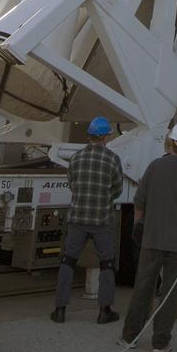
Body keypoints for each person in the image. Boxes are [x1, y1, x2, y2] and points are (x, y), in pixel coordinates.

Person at [121, 121, 177, 352]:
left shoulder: (154, 167)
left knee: (143, 287)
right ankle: (160, 343)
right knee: (170, 293)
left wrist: (138, 226)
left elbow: (139, 202)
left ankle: (129, 337)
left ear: (171, 142)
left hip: (152, 239)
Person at [50, 116, 122, 325]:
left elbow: (72, 184)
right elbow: (117, 189)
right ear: (105, 137)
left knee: (68, 260)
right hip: (102, 219)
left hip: (78, 218)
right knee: (107, 263)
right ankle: (104, 311)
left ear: (89, 135)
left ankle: (60, 309)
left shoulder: (76, 158)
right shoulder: (112, 159)